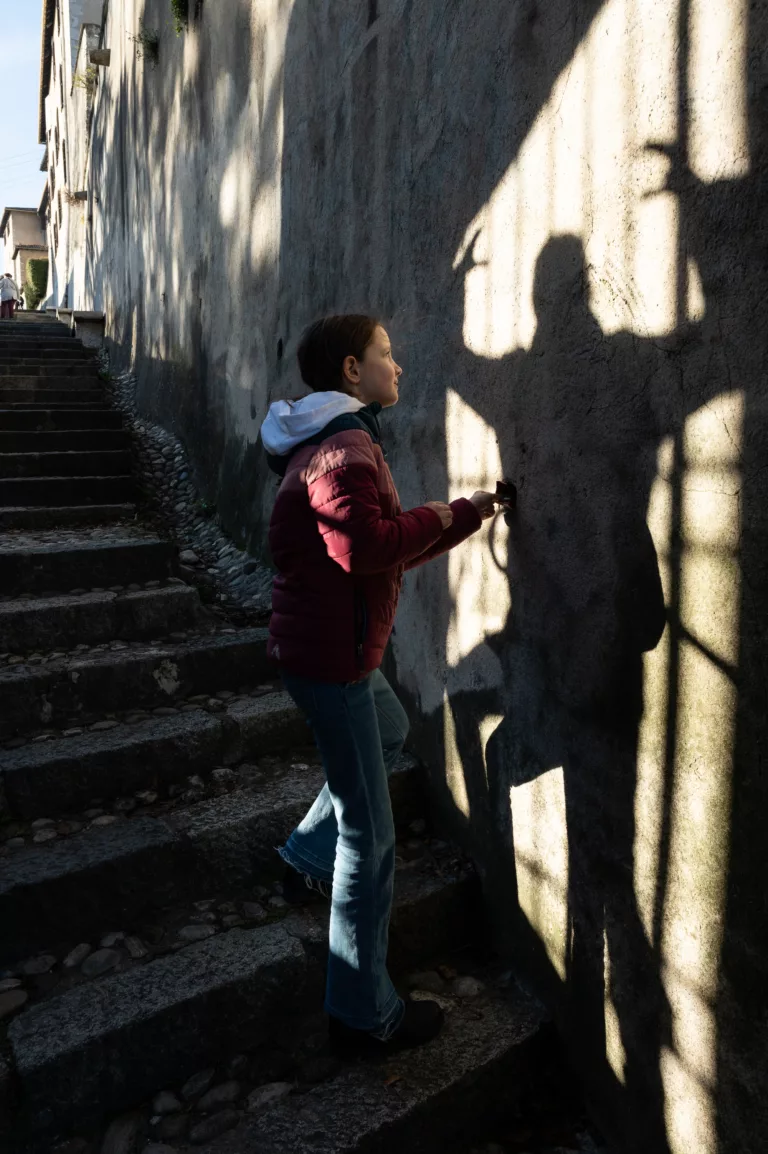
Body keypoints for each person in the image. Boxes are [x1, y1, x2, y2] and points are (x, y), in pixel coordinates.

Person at [261, 314, 498, 1059]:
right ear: (352, 370)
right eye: (387, 354)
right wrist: (441, 514)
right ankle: (364, 1013)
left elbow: (381, 545)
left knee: (391, 732)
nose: (399, 366)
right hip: (331, 664)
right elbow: (366, 546)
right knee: (371, 838)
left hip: (334, 656)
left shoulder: (335, 440)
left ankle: (302, 856)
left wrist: (465, 515)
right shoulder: (343, 448)